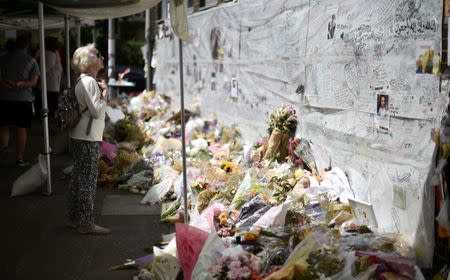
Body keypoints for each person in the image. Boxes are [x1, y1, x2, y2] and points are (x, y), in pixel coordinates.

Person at [68, 43, 109, 235]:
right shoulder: (90, 82)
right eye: (98, 54)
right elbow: (97, 110)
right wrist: (106, 95)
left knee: (78, 178)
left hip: (80, 134)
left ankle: (76, 219)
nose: (101, 57)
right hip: (88, 136)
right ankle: (87, 223)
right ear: (89, 61)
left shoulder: (82, 80)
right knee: (87, 180)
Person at [0, 35, 40, 166]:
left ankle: (4, 149)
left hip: (4, 97)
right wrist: (19, 84)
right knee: (21, 129)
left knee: (4, 126)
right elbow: (33, 82)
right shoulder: (31, 60)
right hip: (23, 99)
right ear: (27, 46)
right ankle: (19, 158)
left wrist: (8, 85)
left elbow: (1, 78)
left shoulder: (3, 58)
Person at [44, 36, 63, 117]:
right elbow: (47, 69)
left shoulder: (53, 53)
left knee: (53, 108)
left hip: (52, 85)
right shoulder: (50, 54)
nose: (58, 44)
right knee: (52, 108)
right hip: (51, 85)